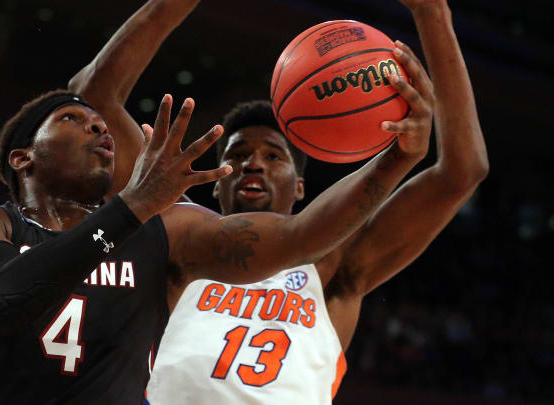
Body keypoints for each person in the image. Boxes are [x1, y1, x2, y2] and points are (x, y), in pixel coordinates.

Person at [0, 3, 428, 405]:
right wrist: (131, 207)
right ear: (22, 157)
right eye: (70, 119)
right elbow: (3, 300)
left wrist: (396, 159)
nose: (100, 127)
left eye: (101, 124)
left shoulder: (163, 235)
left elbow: (302, 238)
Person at [143, 0, 489, 403]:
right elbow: (98, 95)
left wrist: (433, 15)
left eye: (274, 156)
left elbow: (462, 172)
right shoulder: (175, 245)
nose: (253, 163)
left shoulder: (333, 267)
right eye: (236, 156)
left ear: (301, 187)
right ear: (216, 186)